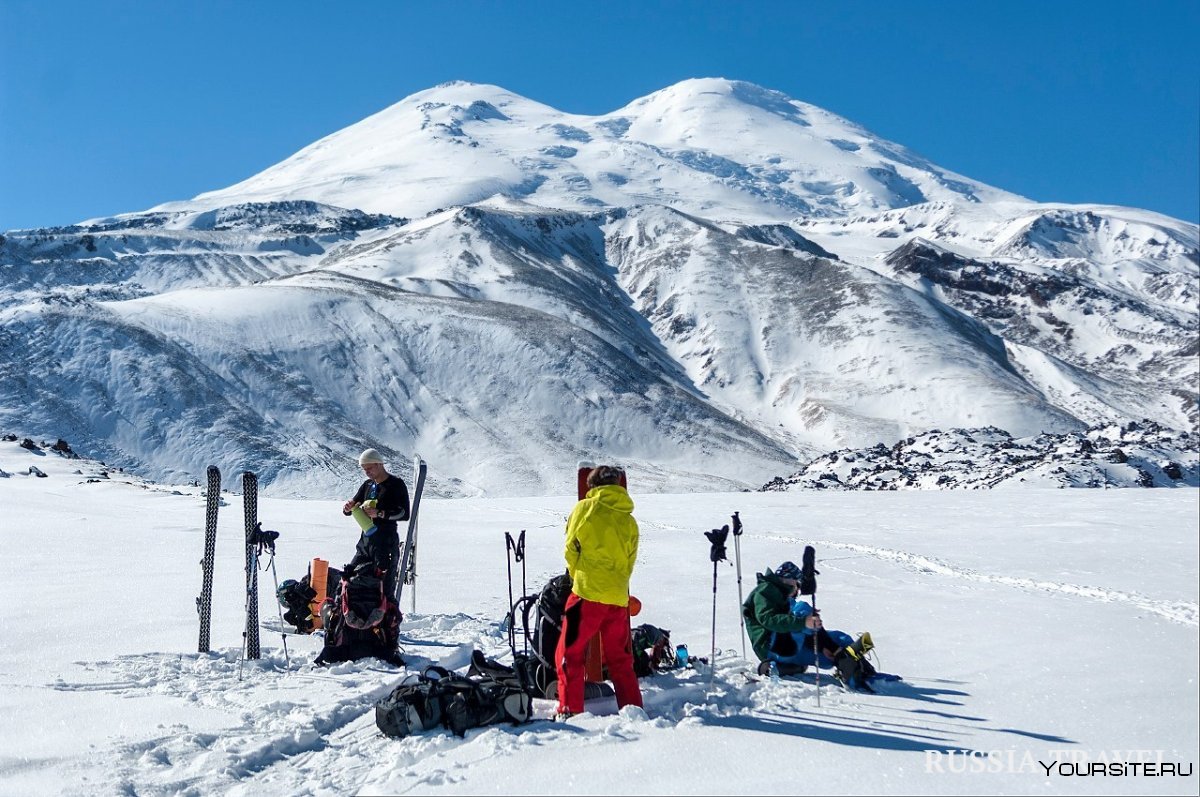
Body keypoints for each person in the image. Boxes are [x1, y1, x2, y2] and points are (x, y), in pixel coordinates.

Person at [555, 465, 643, 718]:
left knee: (569, 655)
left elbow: (570, 548)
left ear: (592, 486)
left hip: (586, 594)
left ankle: (570, 710)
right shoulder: (629, 519)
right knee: (621, 661)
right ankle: (633, 710)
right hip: (617, 598)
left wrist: (577, 574)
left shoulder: (585, 508)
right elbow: (630, 560)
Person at [743, 561, 876, 689]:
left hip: (791, 643)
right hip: (772, 647)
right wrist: (804, 621)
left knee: (841, 639)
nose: (797, 589)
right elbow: (768, 620)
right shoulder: (765, 591)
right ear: (787, 579)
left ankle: (861, 670)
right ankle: (840, 656)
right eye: (797, 584)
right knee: (803, 609)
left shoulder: (783, 596)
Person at [342, 448, 410, 598]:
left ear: (379, 464)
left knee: (384, 590)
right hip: (366, 544)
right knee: (349, 579)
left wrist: (380, 513)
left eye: (369, 468)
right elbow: (353, 505)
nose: (367, 472)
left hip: (386, 542)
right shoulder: (367, 485)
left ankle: (387, 619)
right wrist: (348, 508)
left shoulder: (395, 484)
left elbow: (405, 514)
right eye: (364, 470)